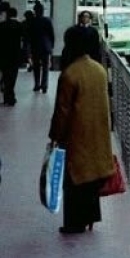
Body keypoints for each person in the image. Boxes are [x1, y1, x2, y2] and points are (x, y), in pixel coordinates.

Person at [48, 25, 114, 234]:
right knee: (92, 177)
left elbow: (62, 111)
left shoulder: (70, 74)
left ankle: (74, 223)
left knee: (75, 179)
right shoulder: (99, 70)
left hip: (76, 135)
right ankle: (90, 218)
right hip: (98, 133)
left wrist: (55, 136)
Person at [26, 2, 55, 93]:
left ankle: (37, 84)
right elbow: (51, 34)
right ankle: (44, 85)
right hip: (46, 46)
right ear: (43, 11)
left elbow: (29, 35)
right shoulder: (47, 20)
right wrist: (51, 46)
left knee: (36, 66)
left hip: (35, 46)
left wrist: (28, 48)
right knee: (45, 67)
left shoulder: (32, 21)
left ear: (35, 11)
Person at [0, 6, 25, 106]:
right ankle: (10, 96)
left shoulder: (1, 25)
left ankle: (7, 96)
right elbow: (24, 40)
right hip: (15, 55)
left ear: (8, 14)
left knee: (5, 76)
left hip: (3, 54)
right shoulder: (19, 26)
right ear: (16, 14)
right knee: (13, 76)